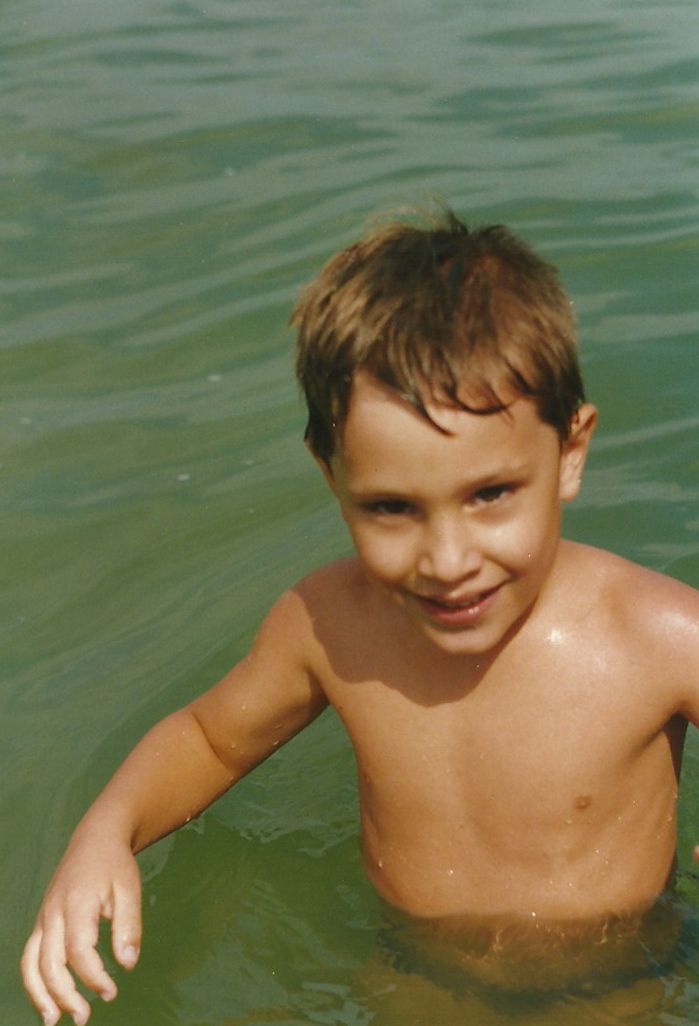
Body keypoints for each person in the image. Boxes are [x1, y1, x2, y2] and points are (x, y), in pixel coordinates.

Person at [21, 209, 699, 1025]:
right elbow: (208, 738)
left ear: (570, 452)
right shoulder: (327, 626)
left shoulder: (660, 638)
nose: (446, 559)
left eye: (490, 494)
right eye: (390, 508)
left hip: (614, 978)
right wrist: (105, 833)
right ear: (330, 476)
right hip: (409, 974)